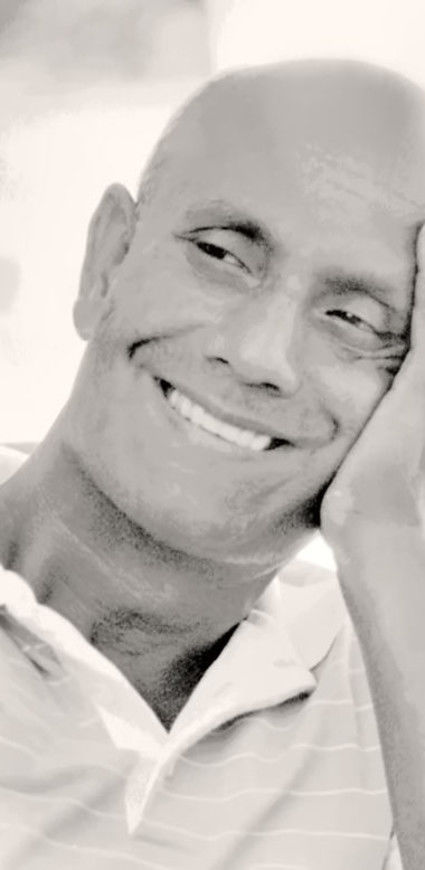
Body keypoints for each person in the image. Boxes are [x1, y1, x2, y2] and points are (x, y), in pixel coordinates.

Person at [0, 57, 424, 869]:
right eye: (221, 255)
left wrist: (385, 525)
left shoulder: (395, 676)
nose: (258, 353)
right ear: (107, 260)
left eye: (352, 320)